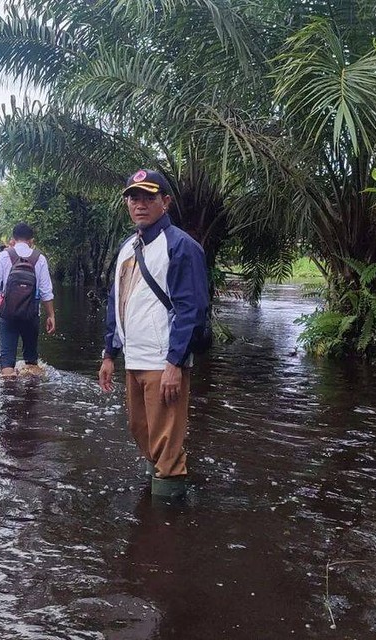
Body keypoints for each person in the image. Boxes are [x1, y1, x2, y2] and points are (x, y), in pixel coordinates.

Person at [98, 169, 209, 499]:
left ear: (166, 201)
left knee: (166, 446)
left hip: (163, 363)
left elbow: (192, 310)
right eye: (134, 197)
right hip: (134, 359)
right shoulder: (127, 248)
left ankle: (167, 522)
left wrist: (175, 362)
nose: (140, 204)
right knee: (141, 430)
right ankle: (158, 503)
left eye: (149, 196)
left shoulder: (181, 247)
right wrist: (109, 354)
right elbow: (115, 301)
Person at [0, 222, 55, 376]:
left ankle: (8, 393)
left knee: (7, 360)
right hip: (31, 315)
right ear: (31, 240)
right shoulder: (39, 258)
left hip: (7, 314)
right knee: (31, 360)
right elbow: (46, 292)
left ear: (13, 238)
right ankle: (30, 396)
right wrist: (51, 315)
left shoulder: (4, 256)